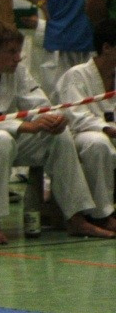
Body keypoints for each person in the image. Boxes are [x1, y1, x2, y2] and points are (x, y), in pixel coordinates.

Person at [0, 21, 111, 244]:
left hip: (4, 135)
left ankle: (75, 217)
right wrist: (28, 126)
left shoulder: (15, 70)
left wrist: (52, 119)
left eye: (18, 51)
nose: (18, 58)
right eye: (11, 52)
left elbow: (38, 104)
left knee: (57, 136)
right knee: (0, 140)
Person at [54, 18, 116, 226]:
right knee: (97, 143)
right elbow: (76, 117)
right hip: (78, 137)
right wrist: (106, 128)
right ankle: (103, 215)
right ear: (107, 48)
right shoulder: (76, 75)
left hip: (111, 133)